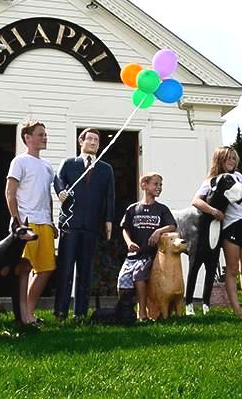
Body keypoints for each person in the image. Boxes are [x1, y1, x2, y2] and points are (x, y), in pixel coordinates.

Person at [54, 128, 115, 319]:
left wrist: (109, 220)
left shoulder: (106, 169)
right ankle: (60, 311)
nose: (94, 142)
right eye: (90, 139)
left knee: (85, 272)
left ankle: (80, 313)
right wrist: (61, 192)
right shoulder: (69, 163)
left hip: (91, 226)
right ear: (81, 142)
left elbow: (110, 196)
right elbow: (58, 179)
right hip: (70, 225)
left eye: (97, 140)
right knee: (65, 269)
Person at [192, 146, 242, 317]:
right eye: (229, 158)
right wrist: (214, 211)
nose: (232, 161)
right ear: (220, 159)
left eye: (234, 158)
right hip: (230, 226)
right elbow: (196, 201)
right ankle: (237, 310)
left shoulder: (239, 176)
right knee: (232, 269)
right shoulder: (212, 180)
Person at [4, 119, 57, 325]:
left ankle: (28, 312)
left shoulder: (47, 166)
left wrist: (52, 222)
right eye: (40, 134)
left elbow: (47, 196)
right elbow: (10, 193)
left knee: (46, 268)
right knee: (24, 268)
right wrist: (16, 222)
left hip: (44, 223)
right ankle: (24, 316)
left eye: (45, 134)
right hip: (26, 222)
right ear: (27, 137)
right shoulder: (20, 161)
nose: (45, 137)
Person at [116, 172, 176, 321]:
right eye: (156, 184)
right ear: (144, 185)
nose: (159, 187)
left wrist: (159, 231)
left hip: (151, 255)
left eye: (160, 185)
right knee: (122, 279)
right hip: (134, 255)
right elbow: (125, 228)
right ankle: (125, 312)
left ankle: (142, 314)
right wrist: (129, 243)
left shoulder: (162, 209)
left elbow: (172, 225)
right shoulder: (133, 209)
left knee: (139, 275)